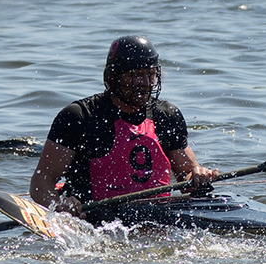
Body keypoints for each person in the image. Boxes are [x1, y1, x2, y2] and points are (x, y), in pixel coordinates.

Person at [29, 36, 219, 220]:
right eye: (136, 75)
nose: (144, 83)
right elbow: (41, 182)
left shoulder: (167, 115)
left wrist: (197, 176)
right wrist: (59, 204)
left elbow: (186, 177)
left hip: (156, 217)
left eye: (150, 74)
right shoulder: (79, 117)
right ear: (114, 76)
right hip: (96, 219)